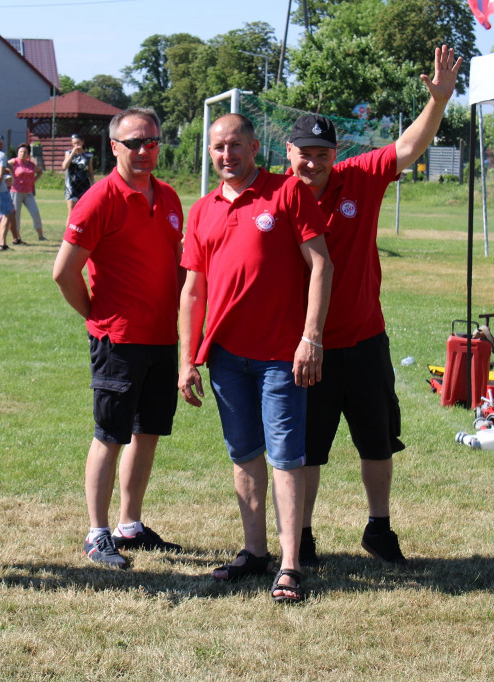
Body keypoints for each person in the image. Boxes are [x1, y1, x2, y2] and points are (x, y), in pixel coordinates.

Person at [286, 44, 462, 568]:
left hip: (365, 339)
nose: (313, 162)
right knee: (307, 448)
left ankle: (379, 528)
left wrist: (440, 101)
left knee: (378, 441)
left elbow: (409, 146)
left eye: (322, 153)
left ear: (335, 154)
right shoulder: (277, 194)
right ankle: (305, 534)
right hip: (306, 347)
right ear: (289, 154)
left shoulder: (360, 178)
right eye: (304, 153)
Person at [178, 113, 333, 603]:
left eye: (236, 146)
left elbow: (321, 264)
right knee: (243, 454)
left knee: (286, 457)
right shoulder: (201, 210)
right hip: (226, 359)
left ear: (254, 146)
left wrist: (311, 337)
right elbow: (192, 291)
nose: (227, 155)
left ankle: (289, 565)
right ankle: (253, 552)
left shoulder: (286, 193)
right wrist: (188, 360)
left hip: (280, 358)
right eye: (219, 147)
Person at [52, 108, 184, 569]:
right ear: (114, 147)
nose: (144, 150)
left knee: (147, 432)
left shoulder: (168, 196)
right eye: (133, 143)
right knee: (110, 435)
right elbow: (63, 271)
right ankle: (97, 533)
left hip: (162, 337)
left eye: (151, 141)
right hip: (119, 340)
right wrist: (95, 315)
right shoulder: (99, 198)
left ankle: (130, 523)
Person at [9, 143, 45, 241]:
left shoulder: (31, 164)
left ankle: (40, 235)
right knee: (16, 214)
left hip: (28, 192)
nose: (23, 154)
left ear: (28, 153)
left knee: (35, 212)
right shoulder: (14, 162)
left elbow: (40, 171)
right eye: (21, 152)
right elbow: (3, 167)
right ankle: (16, 236)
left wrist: (34, 180)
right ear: (18, 153)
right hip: (16, 192)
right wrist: (9, 179)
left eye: (25, 152)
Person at [61, 133, 94, 221]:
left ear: (83, 142)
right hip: (71, 186)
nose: (76, 145)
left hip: (84, 186)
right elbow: (64, 166)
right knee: (71, 212)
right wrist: (72, 153)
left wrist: (93, 185)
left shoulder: (88, 156)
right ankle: (69, 234)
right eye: (74, 143)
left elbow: (90, 172)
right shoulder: (68, 153)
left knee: (85, 212)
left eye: (78, 143)